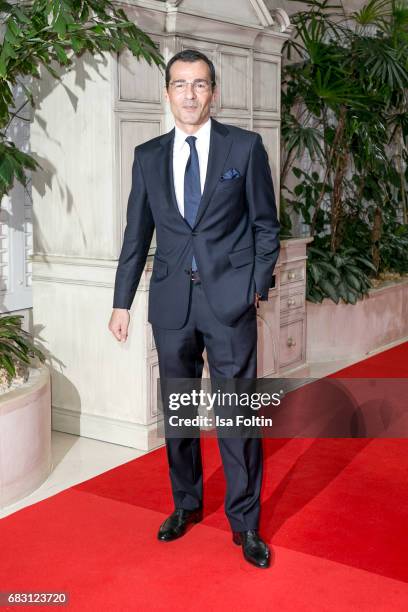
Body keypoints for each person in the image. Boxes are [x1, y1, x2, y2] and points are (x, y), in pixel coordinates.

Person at [108, 49, 280, 568]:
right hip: (171, 305)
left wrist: (255, 285)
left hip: (229, 304)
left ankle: (245, 523)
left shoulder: (244, 148)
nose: (189, 94)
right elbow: (136, 235)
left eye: (199, 84)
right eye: (180, 84)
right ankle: (185, 504)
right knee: (178, 413)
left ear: (214, 91)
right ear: (167, 93)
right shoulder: (147, 156)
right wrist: (122, 303)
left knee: (238, 415)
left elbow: (265, 225)